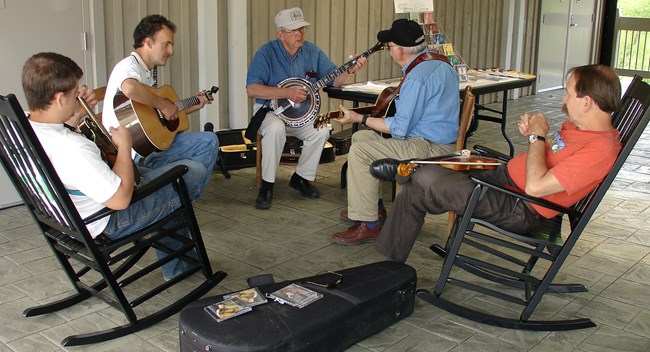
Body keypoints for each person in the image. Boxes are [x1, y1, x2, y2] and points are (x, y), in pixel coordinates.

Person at [372, 64, 623, 263]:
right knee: (415, 189)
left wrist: (537, 136)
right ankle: (389, 265)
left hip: (518, 205)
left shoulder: (600, 151)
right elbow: (553, 151)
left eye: (569, 94)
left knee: (427, 176)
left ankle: (403, 169)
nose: (565, 100)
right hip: (503, 181)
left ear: (587, 102)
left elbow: (536, 187)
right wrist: (535, 134)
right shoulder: (578, 128)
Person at [23, 52, 206, 281]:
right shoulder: (72, 148)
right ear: (59, 98)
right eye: (73, 93)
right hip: (105, 221)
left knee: (166, 183)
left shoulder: (23, 127)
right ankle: (177, 258)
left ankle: (178, 264)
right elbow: (120, 200)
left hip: (66, 218)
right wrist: (124, 145)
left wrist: (72, 119)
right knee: (191, 172)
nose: (78, 97)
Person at [331, 19, 460, 245]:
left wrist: (358, 118)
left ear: (400, 50)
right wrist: (366, 123)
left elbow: (399, 129)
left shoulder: (417, 77)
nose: (389, 50)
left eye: (390, 46)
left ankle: (369, 225)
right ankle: (374, 209)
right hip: (434, 138)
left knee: (361, 152)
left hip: (430, 147)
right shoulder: (440, 63)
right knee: (360, 137)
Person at [246, 7, 366, 209]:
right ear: (280, 34)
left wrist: (350, 70)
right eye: (293, 30)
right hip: (271, 112)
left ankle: (301, 177)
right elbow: (252, 89)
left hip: (302, 116)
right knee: (275, 130)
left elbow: (334, 80)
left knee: (322, 129)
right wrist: (286, 93)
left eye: (301, 29)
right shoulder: (265, 53)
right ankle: (267, 186)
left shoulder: (312, 51)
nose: (299, 34)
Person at [102, 14, 217, 201]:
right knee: (208, 143)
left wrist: (193, 105)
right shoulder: (129, 67)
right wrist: (163, 103)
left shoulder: (146, 73)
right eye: (166, 44)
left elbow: (155, 119)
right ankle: (180, 202)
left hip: (145, 146)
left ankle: (179, 199)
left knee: (207, 141)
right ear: (148, 42)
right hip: (135, 155)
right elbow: (129, 88)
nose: (171, 51)